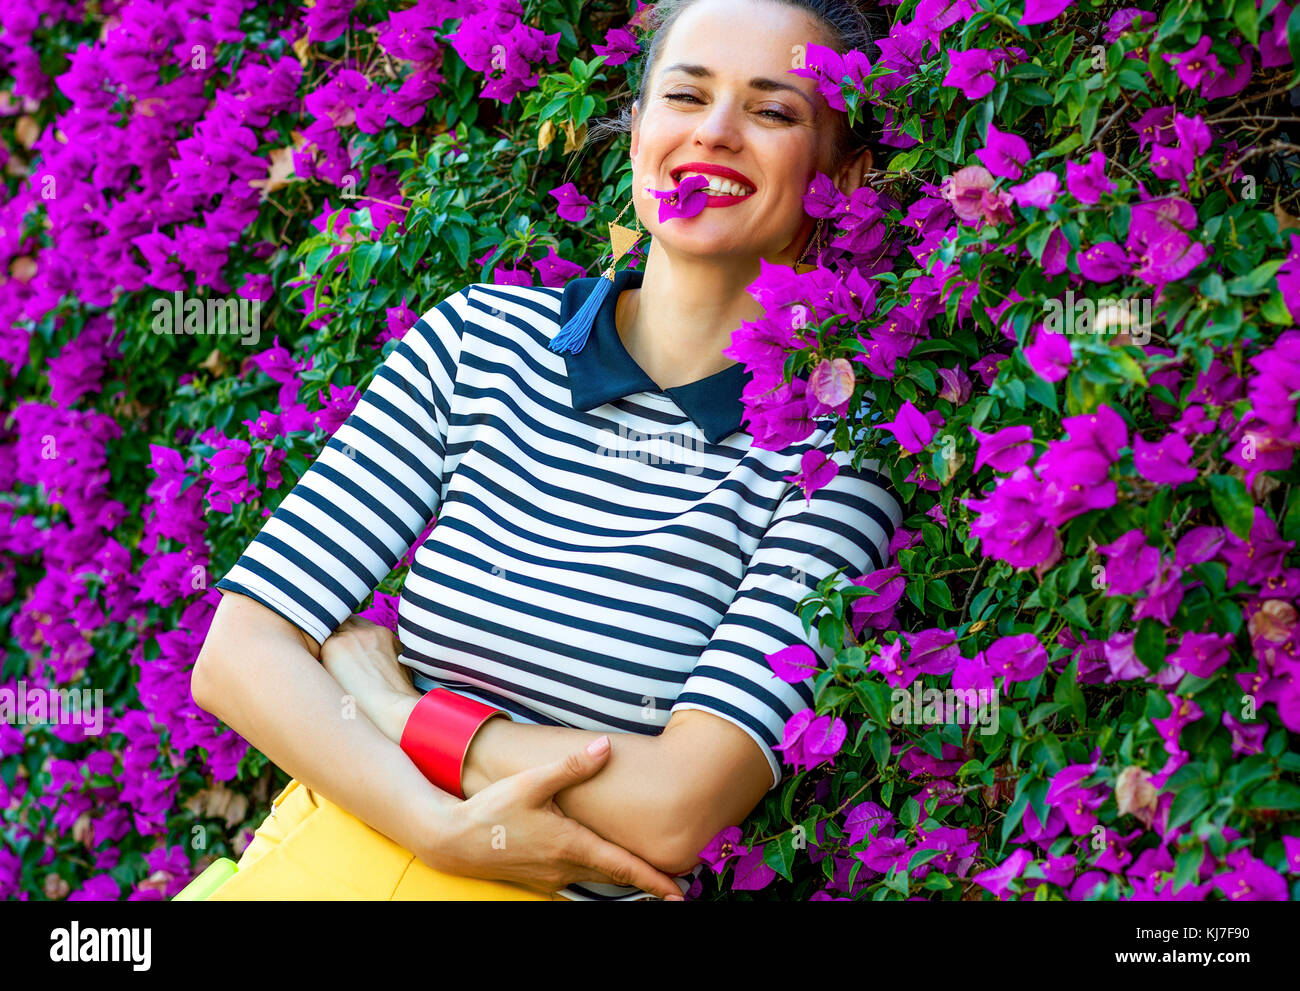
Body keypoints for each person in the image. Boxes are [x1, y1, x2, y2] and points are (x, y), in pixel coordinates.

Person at [191, 0, 902, 902]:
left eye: (772, 111)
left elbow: (675, 810)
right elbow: (241, 651)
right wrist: (439, 829)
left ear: (845, 172)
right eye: (685, 96)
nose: (715, 133)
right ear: (639, 128)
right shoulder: (480, 343)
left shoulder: (831, 458)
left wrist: (398, 708)